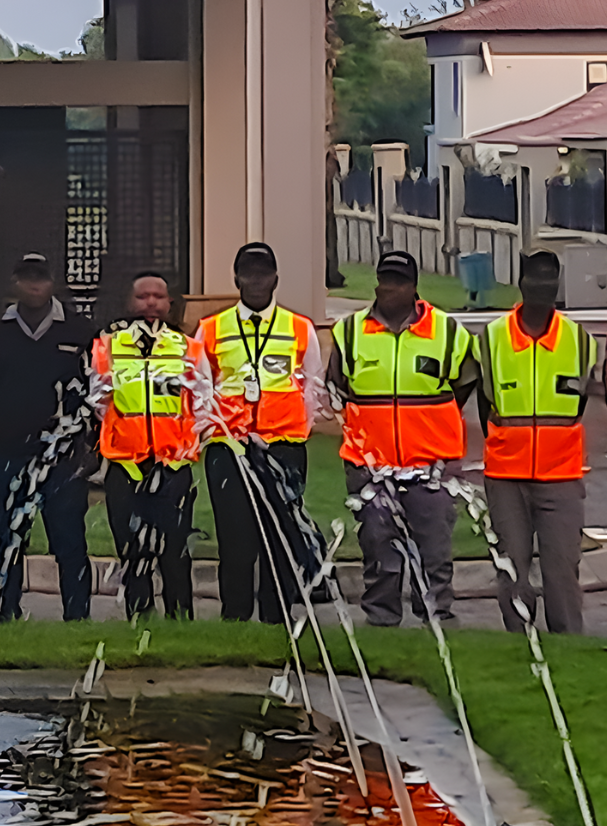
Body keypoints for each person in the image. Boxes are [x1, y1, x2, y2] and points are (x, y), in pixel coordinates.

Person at [329, 248, 466, 629]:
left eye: (399, 282)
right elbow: (336, 388)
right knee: (377, 545)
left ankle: (436, 618)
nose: (390, 288)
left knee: (434, 548)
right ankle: (381, 618)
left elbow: (465, 385)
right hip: (368, 463)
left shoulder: (448, 331)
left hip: (430, 462)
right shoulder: (350, 331)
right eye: (385, 280)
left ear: (413, 287)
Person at [0, 250, 96, 624]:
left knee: (70, 542)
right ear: (15, 283)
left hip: (63, 456)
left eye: (41, 277)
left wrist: (93, 450)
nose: (34, 284)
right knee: (7, 540)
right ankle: (6, 614)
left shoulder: (79, 332)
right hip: (7, 454)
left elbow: (98, 394)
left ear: (53, 282)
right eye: (27, 277)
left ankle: (77, 617)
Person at [193, 240, 320, 622]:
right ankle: (235, 616)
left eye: (263, 273)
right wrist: (216, 435)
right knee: (235, 537)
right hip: (228, 448)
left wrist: (295, 429)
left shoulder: (300, 328)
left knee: (281, 533)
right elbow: (201, 388)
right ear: (236, 279)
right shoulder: (211, 328)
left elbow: (311, 386)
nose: (256, 280)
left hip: (284, 446)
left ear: (276, 278)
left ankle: (276, 614)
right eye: (248, 273)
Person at [468, 249, 591, 637]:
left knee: (562, 569)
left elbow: (582, 401)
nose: (542, 285)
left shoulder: (580, 341)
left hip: (562, 475)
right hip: (506, 476)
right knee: (512, 567)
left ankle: (569, 645)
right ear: (520, 283)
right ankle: (519, 642)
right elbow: (484, 402)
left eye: (550, 278)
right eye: (534, 277)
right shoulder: (492, 339)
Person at [93, 271, 199, 620]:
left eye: (158, 296)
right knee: (132, 551)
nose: (151, 303)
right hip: (125, 466)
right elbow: (96, 403)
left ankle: (180, 621)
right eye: (142, 296)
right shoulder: (106, 347)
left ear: (170, 303)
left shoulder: (188, 349)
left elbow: (203, 404)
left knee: (175, 553)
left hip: (173, 467)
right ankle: (140, 621)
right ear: (128, 302)